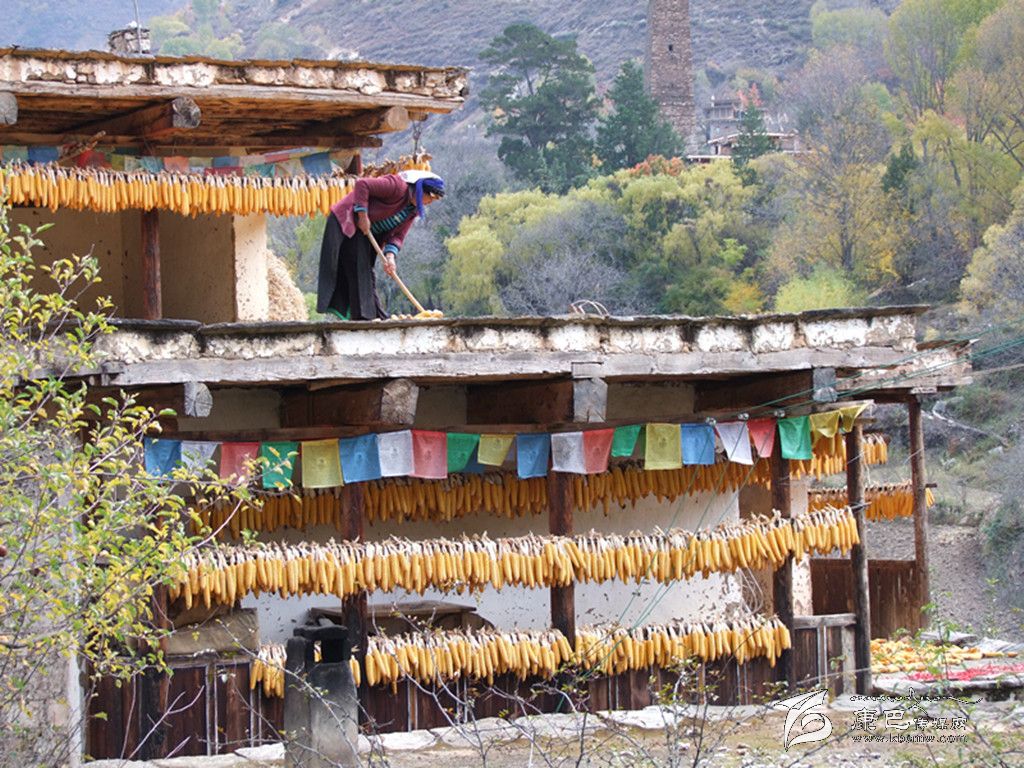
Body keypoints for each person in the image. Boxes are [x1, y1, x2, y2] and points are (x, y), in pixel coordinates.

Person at [316, 169, 445, 320]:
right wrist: (363, 215)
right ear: (421, 189)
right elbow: (362, 185)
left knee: (367, 274)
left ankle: (378, 317)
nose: (430, 202)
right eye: (431, 197)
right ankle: (363, 319)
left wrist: (390, 257)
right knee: (359, 270)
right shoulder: (397, 186)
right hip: (350, 221)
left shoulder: (412, 211)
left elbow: (398, 236)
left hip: (368, 235)